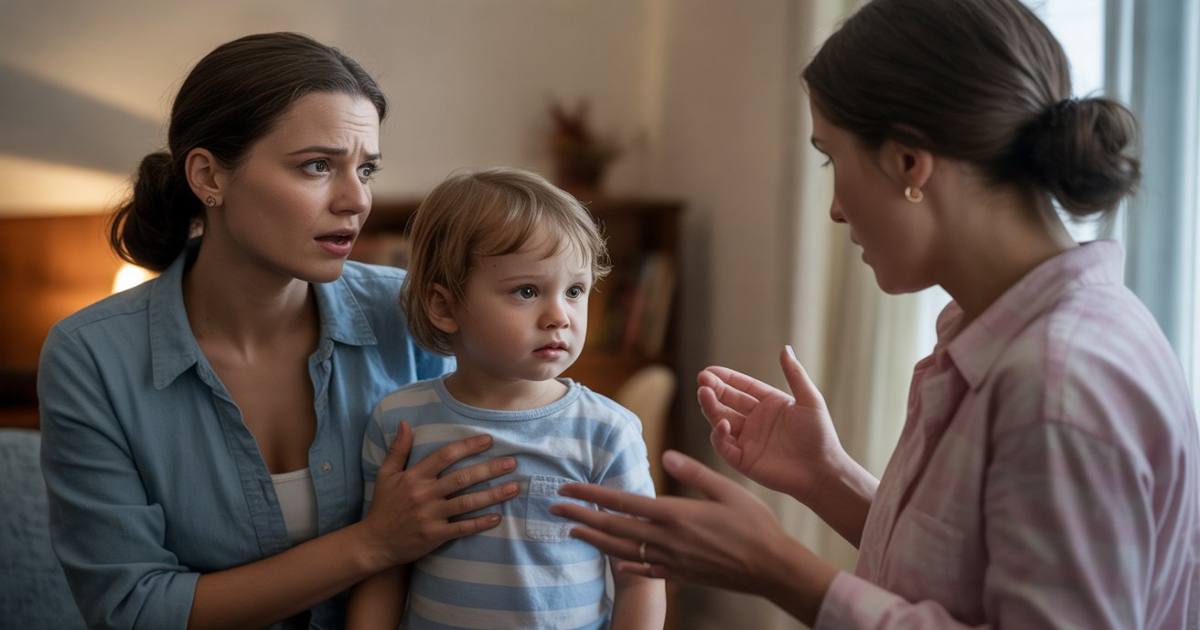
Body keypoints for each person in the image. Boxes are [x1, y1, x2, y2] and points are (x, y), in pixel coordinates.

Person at [550, 0, 1200, 628]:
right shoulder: (997, 337)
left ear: (910, 162)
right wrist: (823, 475)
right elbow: (966, 579)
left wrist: (778, 568)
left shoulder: (1058, 382)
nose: (835, 208)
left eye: (832, 157)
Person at [37, 32, 520, 630]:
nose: (356, 200)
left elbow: (478, 522)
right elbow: (133, 610)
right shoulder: (91, 356)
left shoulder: (410, 314)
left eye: (365, 169)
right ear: (209, 176)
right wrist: (373, 542)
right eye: (317, 166)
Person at [345, 167, 666, 630]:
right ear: (445, 306)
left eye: (575, 290)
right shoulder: (399, 422)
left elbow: (640, 575)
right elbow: (383, 566)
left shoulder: (606, 431)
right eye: (527, 291)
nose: (560, 316)